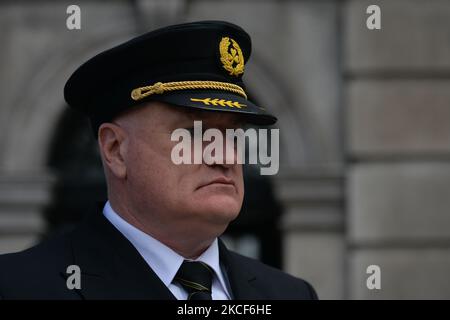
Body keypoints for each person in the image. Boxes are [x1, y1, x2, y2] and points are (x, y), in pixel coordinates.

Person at [0, 21, 317, 300]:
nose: (225, 155)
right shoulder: (20, 287)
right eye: (193, 134)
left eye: (233, 135)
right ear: (115, 150)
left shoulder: (290, 294)